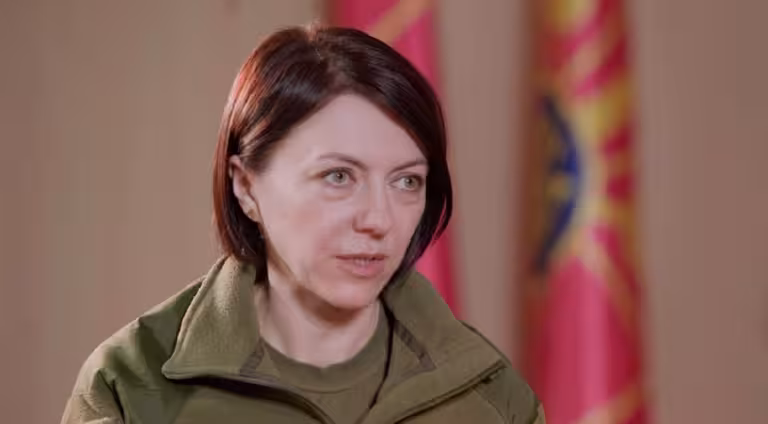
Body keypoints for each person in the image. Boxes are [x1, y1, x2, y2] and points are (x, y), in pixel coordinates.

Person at [61, 25, 545, 424]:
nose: (379, 220)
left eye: (406, 181)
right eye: (338, 176)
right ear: (246, 186)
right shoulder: (132, 385)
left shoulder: (491, 394)